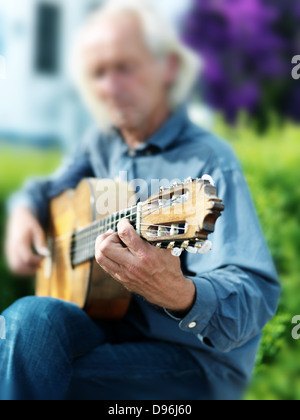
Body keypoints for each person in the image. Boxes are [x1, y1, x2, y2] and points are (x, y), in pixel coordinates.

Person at [1, 0, 280, 400]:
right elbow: (48, 187)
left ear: (167, 68)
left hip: (189, 360)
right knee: (26, 321)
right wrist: (25, 210)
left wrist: (181, 294)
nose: (110, 87)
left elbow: (254, 294)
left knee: (31, 364)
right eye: (98, 73)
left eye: (125, 68)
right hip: (104, 322)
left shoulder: (208, 161)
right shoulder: (102, 141)